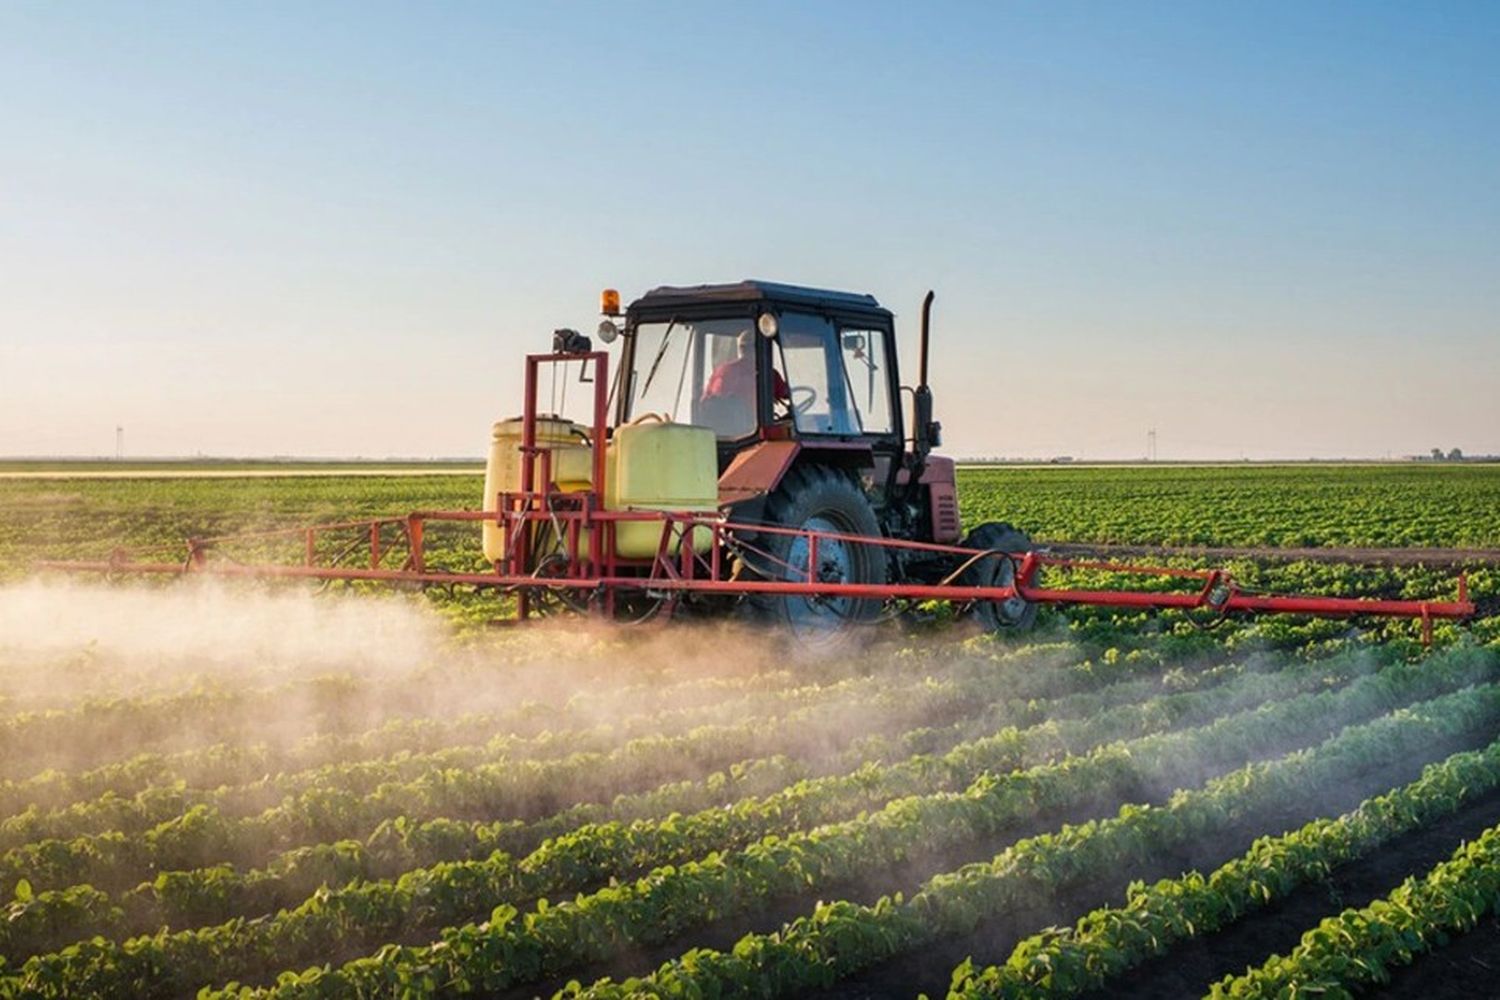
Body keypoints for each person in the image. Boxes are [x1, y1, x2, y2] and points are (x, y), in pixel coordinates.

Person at [702, 330, 790, 406]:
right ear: (761, 347)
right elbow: (786, 393)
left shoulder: (723, 371)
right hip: (749, 423)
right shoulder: (767, 373)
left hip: (724, 422)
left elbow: (708, 401)